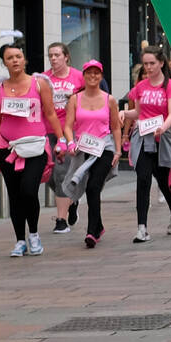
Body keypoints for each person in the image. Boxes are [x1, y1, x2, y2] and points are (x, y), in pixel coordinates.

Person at [0, 43, 65, 256]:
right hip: (6, 148)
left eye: (18, 56)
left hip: (35, 147)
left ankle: (34, 234)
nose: (15, 60)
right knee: (14, 194)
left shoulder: (39, 84)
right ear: (4, 62)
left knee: (29, 190)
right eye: (10, 57)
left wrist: (62, 140)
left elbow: (50, 114)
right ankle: (20, 240)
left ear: (25, 59)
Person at [122, 46, 171, 243]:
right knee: (143, 179)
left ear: (161, 63)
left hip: (162, 139)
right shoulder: (140, 87)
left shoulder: (169, 85)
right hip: (143, 138)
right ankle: (142, 228)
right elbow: (138, 113)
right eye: (145, 64)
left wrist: (163, 127)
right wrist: (122, 114)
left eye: (152, 64)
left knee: (164, 183)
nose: (148, 67)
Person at [61, 60, 122, 248]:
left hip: (104, 148)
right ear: (84, 75)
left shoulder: (109, 99)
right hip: (83, 148)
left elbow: (115, 127)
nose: (93, 76)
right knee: (83, 185)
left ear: (101, 76)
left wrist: (118, 150)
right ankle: (99, 225)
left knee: (94, 187)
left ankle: (91, 231)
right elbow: (68, 125)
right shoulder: (75, 99)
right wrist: (70, 142)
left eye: (96, 73)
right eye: (89, 73)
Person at [43, 42, 83, 233]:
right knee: (48, 173)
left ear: (66, 56)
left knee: (62, 172)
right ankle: (72, 200)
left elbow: (89, 99)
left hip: (70, 130)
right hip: (47, 130)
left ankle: (61, 220)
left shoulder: (78, 77)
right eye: (50, 55)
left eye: (57, 55)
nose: (53, 59)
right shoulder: (43, 79)